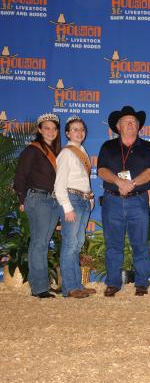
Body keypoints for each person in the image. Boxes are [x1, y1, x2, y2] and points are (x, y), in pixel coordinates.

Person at [97, 106, 150, 297]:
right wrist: (118, 181)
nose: (131, 124)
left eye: (134, 121)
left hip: (137, 200)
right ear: (118, 126)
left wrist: (131, 183)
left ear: (139, 126)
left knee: (140, 243)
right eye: (126, 121)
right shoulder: (108, 147)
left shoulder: (148, 147)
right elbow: (101, 170)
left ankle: (142, 282)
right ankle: (113, 283)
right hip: (112, 201)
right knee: (113, 244)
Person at [14, 113, 62, 298]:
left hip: (52, 200)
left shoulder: (56, 153)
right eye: (47, 128)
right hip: (38, 199)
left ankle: (40, 284)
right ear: (39, 130)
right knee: (39, 243)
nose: (51, 131)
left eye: (54, 128)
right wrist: (22, 200)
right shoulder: (32, 150)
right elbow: (20, 177)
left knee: (41, 243)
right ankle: (40, 288)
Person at [54, 116, 96, 299]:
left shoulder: (82, 151)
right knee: (70, 244)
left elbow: (82, 179)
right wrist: (67, 207)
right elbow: (59, 185)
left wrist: (90, 197)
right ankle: (70, 287)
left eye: (81, 129)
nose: (79, 132)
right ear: (67, 133)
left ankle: (77, 285)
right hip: (72, 200)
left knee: (77, 244)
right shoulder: (66, 154)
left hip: (83, 200)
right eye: (75, 129)